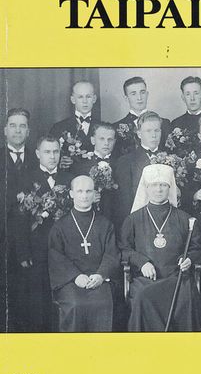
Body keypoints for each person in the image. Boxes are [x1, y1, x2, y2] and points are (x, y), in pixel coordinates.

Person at [120, 164, 201, 331]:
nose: (158, 189)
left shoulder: (184, 219)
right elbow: (124, 249)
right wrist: (142, 262)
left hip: (177, 277)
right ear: (146, 188)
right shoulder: (133, 219)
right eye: (154, 185)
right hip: (145, 279)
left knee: (186, 297)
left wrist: (188, 259)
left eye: (163, 185)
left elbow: (197, 248)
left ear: (170, 187)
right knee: (143, 296)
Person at [48, 175, 120, 332]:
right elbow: (56, 257)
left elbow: (112, 253)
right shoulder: (60, 226)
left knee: (103, 303)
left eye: (88, 191)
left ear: (94, 194)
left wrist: (101, 275)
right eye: (79, 191)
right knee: (76, 305)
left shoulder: (105, 224)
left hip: (98, 280)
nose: (84, 196)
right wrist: (75, 276)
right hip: (70, 282)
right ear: (71, 194)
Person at [15, 136, 72, 332]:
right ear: (38, 154)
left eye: (56, 151)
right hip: (37, 249)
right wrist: (23, 252)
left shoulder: (69, 179)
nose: (52, 156)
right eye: (47, 152)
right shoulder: (26, 179)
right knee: (38, 297)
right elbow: (19, 220)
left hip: (65, 249)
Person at [0, 108, 36, 331]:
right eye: (13, 125)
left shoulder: (37, 158)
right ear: (5, 130)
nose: (17, 130)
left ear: (28, 131)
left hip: (29, 240)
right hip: (3, 237)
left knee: (26, 295)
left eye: (22, 126)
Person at [114, 111, 163, 227]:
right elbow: (125, 203)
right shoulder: (126, 161)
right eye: (148, 131)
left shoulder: (170, 159)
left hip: (165, 222)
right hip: (139, 224)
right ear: (139, 134)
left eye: (157, 130)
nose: (154, 135)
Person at [70, 122, 118, 226]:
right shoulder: (80, 166)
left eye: (110, 139)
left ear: (114, 141)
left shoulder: (121, 164)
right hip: (88, 220)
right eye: (102, 139)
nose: (106, 143)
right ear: (93, 140)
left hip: (115, 218)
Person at [114, 77, 171, 155]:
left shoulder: (165, 124)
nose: (139, 98)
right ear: (126, 98)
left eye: (142, 92)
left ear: (147, 94)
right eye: (133, 94)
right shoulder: (116, 128)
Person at [50, 81, 98, 166]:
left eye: (88, 97)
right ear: (73, 99)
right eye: (80, 97)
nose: (85, 101)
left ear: (94, 99)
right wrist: (59, 161)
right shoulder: (58, 127)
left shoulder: (102, 127)